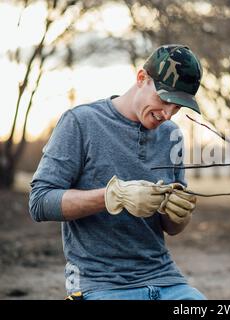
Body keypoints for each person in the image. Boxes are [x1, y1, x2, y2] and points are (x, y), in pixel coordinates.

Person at [29, 44, 206, 300]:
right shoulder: (81, 123)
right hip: (100, 284)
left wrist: (179, 215)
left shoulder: (172, 136)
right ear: (142, 78)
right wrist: (114, 195)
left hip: (167, 280)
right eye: (165, 99)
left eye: (178, 106)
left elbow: (172, 229)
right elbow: (40, 203)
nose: (168, 114)